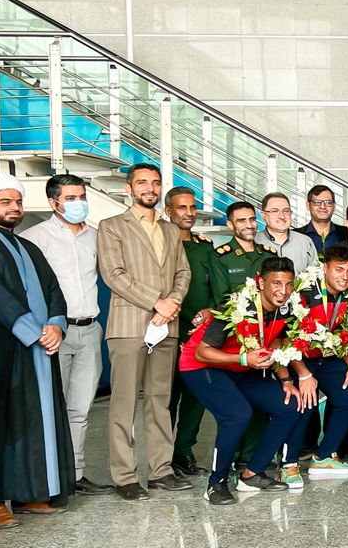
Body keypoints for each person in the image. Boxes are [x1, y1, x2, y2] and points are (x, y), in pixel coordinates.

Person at [0, 174, 76, 528]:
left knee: (32, 422)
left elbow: (53, 288)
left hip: (39, 348)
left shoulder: (28, 246)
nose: (14, 208)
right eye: (5, 202)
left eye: (18, 202)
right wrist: (35, 332)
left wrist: (56, 324)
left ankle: (29, 493)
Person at [97, 162, 192, 500]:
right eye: (142, 183)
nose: (149, 188)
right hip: (128, 325)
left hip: (166, 326)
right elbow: (114, 274)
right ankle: (124, 476)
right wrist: (157, 302)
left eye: (155, 182)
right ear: (129, 188)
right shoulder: (111, 226)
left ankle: (160, 470)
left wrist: (173, 302)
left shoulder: (170, 230)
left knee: (159, 401)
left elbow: (183, 272)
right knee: (124, 403)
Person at [178, 257, 305, 504]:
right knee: (237, 414)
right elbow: (202, 352)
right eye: (276, 283)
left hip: (241, 367)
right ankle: (216, 483)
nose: (283, 290)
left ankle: (251, 474)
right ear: (261, 283)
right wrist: (245, 358)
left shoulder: (285, 308)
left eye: (289, 284)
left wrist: (287, 380)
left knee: (290, 405)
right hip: (202, 365)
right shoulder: (237, 306)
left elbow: (274, 341)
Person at [20, 174, 111, 495]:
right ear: (53, 202)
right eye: (70, 198)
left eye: (82, 197)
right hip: (54, 333)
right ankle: (48, 477)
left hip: (90, 330)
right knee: (49, 407)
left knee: (80, 409)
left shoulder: (96, 237)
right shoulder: (34, 238)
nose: (78, 203)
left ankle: (75, 474)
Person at [284, 245, 348, 479]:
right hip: (301, 359)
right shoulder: (304, 292)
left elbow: (345, 334)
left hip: (330, 359)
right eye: (338, 270)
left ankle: (323, 456)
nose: (344, 277)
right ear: (325, 268)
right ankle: (288, 464)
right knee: (304, 403)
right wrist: (304, 374)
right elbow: (287, 339)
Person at [163, 186, 216, 479]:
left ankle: (183, 452)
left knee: (196, 396)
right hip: (168, 329)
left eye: (193, 207)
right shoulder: (160, 244)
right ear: (168, 211)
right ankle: (161, 457)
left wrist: (210, 311)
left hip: (201, 334)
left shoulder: (205, 247)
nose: (189, 213)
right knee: (166, 397)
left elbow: (217, 288)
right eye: (182, 207)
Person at [209, 202, 276, 307]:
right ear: (230, 225)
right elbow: (223, 300)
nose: (249, 225)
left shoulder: (270, 255)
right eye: (242, 221)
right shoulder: (221, 257)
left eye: (252, 219)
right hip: (238, 316)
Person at [256, 192, 318, 272]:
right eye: (275, 211)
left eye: (286, 211)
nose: (282, 216)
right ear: (263, 215)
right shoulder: (254, 241)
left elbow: (316, 274)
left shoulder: (305, 242)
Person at [296, 184, 348, 253]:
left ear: (334, 207)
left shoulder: (347, 233)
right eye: (317, 202)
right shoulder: (295, 236)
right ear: (308, 205)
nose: (323, 207)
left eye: (328, 202)